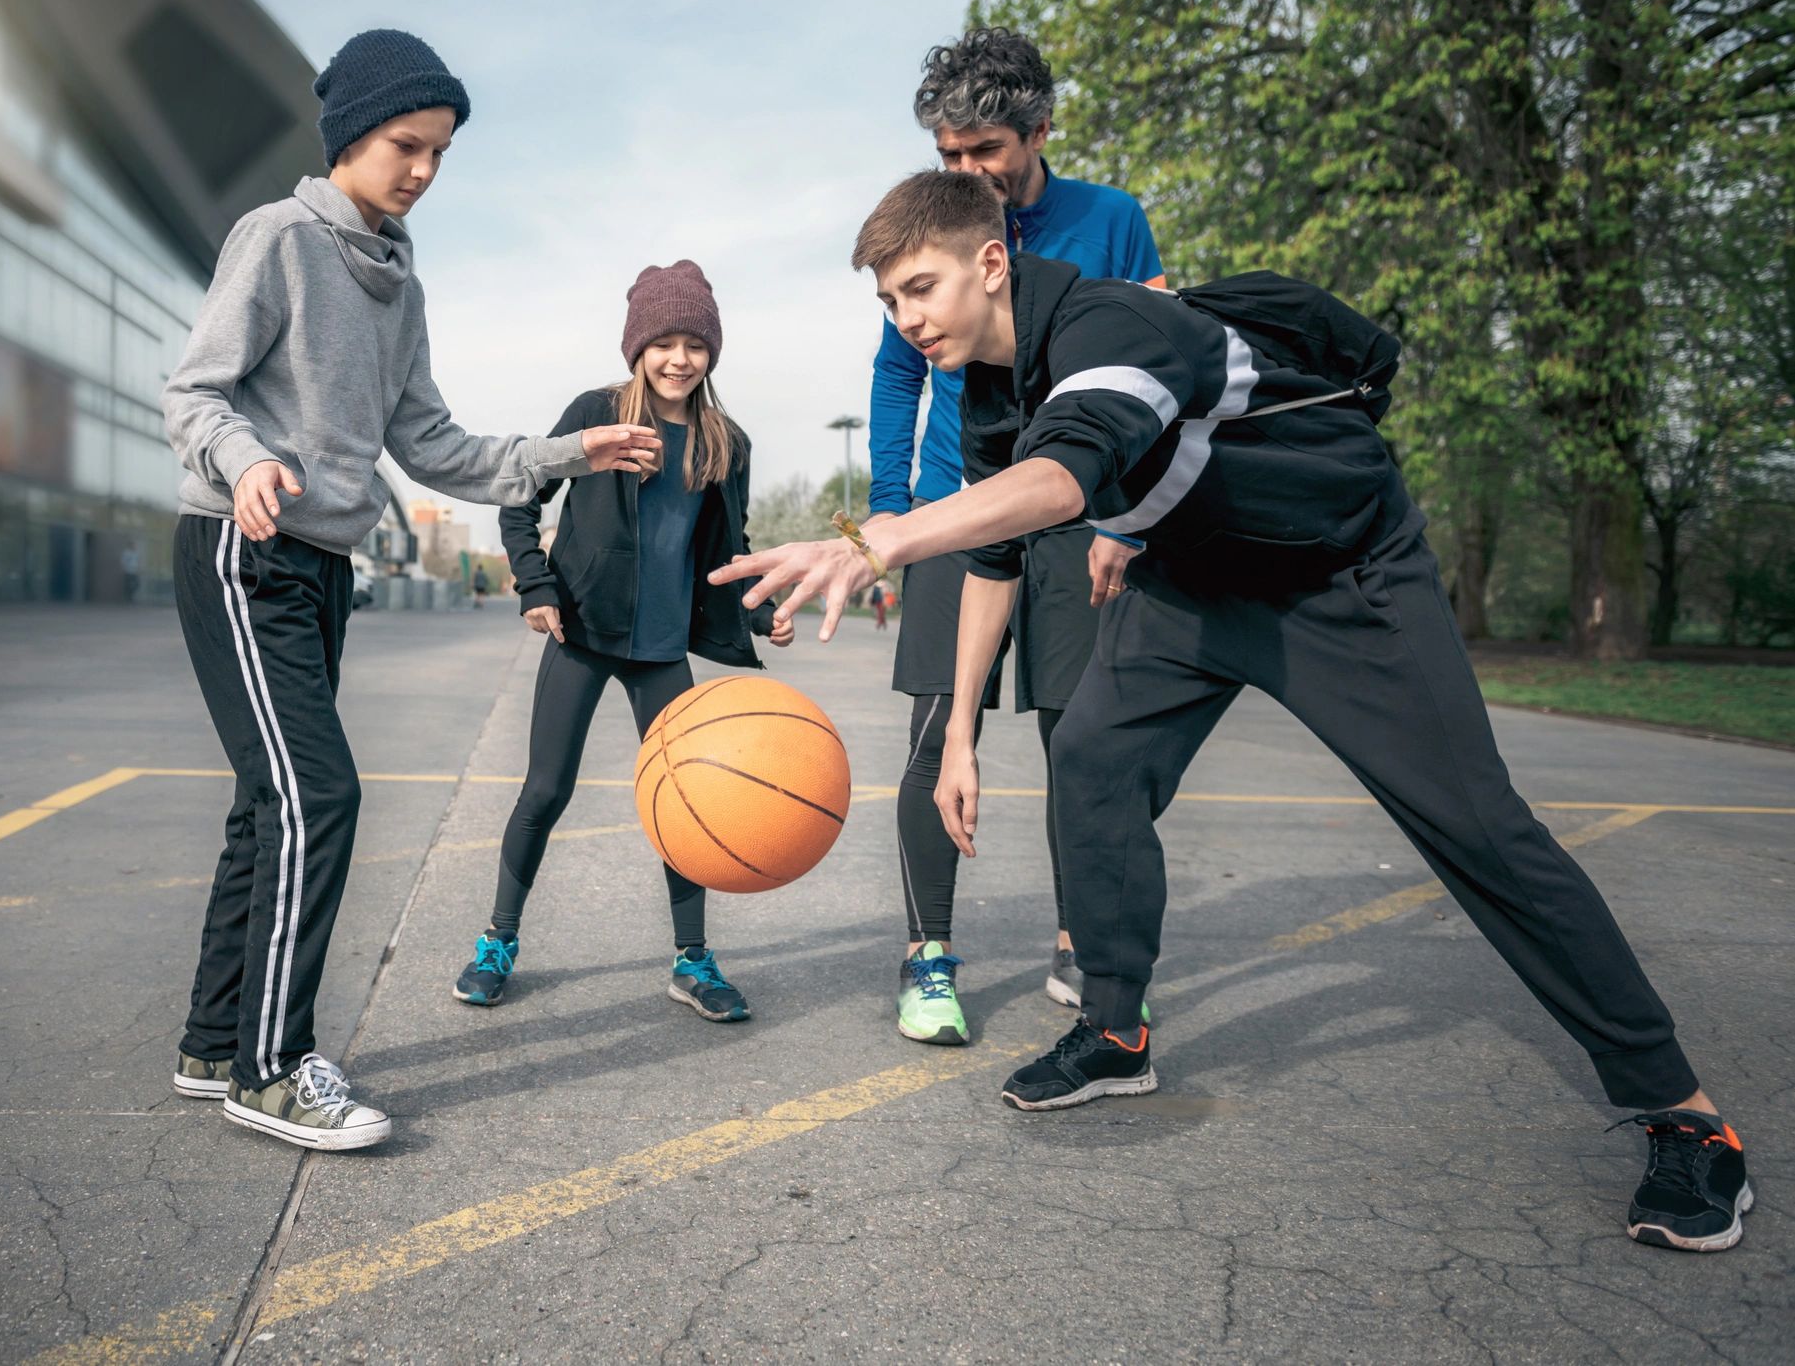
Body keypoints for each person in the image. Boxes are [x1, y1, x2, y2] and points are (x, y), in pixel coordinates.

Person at [711, 169, 1751, 1253]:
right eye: (887, 302)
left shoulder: (1113, 324)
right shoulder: (984, 387)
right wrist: (959, 733)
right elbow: (996, 550)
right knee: (1097, 762)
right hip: (1192, 585)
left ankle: (1685, 1114)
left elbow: (1061, 484)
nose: (907, 318)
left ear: (989, 262)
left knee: (1480, 827)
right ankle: (1116, 1031)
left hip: (1341, 577)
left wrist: (875, 539)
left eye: (920, 287)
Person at [161, 29, 661, 1152]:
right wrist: (247, 464)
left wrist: (575, 451)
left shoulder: (398, 279)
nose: (425, 171)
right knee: (316, 795)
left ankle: (210, 1042)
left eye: (439, 152)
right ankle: (273, 1065)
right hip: (242, 548)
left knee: (270, 802)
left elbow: (433, 444)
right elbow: (194, 393)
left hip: (320, 566)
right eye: (406, 145)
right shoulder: (280, 238)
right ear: (348, 136)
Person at [867, 29, 1165, 1047]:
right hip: (962, 510)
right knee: (937, 737)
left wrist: (1123, 517)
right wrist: (891, 503)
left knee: (1079, 741)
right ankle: (927, 957)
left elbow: (1150, 369)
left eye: (983, 149)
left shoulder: (1111, 222)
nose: (963, 171)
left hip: (1077, 519)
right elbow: (898, 372)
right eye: (948, 153)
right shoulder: (937, 233)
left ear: (1041, 130)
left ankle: (1081, 941)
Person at [452, 262, 792, 1019]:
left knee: (688, 802)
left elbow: (726, 547)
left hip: (664, 648)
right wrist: (536, 587)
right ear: (636, 346)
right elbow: (520, 496)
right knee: (545, 789)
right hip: (582, 634)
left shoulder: (724, 441)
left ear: (711, 352)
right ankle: (497, 943)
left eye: (694, 344)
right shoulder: (598, 411)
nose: (679, 359)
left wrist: (762, 614)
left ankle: (693, 961)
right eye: (664, 342)